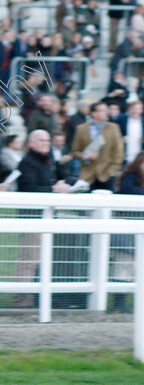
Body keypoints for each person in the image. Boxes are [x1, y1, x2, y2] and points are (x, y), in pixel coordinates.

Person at [11, 129, 71, 308]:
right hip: (32, 216)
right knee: (29, 257)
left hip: (46, 215)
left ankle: (32, 296)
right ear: (32, 143)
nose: (46, 143)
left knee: (38, 257)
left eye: (48, 140)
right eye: (42, 141)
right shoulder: (28, 162)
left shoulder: (47, 160)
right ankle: (21, 299)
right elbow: (29, 189)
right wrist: (53, 189)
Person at [111, 151, 144, 312]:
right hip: (126, 231)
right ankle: (119, 303)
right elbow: (129, 191)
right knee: (124, 266)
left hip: (137, 230)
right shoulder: (130, 177)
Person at [71, 102, 124, 191]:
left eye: (107, 110)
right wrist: (86, 156)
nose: (107, 112)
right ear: (94, 113)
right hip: (87, 175)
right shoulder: (81, 129)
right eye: (103, 110)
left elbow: (119, 151)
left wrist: (113, 170)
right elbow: (75, 151)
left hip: (107, 175)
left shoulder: (114, 128)